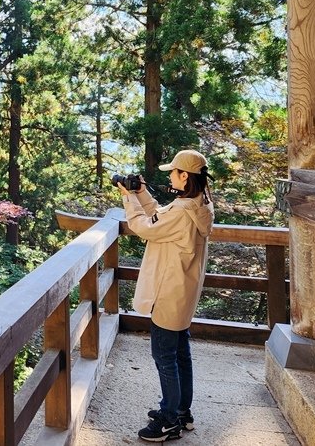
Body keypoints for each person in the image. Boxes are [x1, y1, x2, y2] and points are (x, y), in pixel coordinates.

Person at [116, 149, 214, 443]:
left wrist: (128, 197)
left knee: (165, 357)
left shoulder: (183, 211)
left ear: (185, 176)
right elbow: (160, 215)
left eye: (173, 171)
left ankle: (169, 420)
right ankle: (182, 412)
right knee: (180, 354)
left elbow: (145, 227)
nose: (170, 175)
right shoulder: (199, 205)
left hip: (169, 291)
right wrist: (143, 194)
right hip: (183, 291)